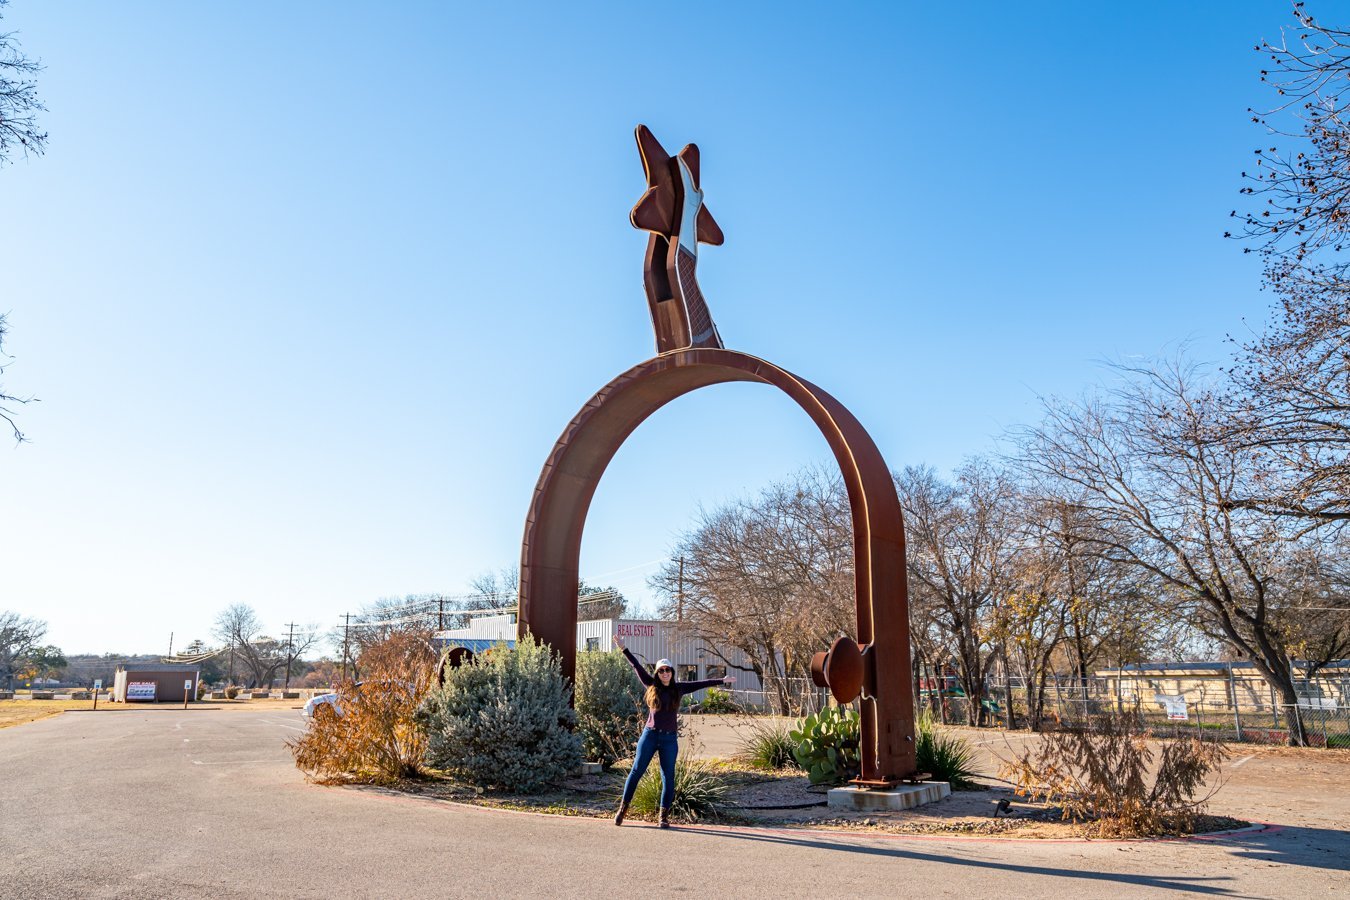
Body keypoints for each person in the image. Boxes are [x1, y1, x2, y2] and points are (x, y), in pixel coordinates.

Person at [611, 634, 734, 828]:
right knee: (636, 771)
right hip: (650, 736)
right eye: (661, 671)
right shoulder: (651, 685)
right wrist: (623, 648)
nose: (665, 673)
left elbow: (700, 683)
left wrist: (722, 680)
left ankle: (663, 817)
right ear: (658, 673)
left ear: (672, 672)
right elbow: (636, 666)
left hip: (669, 740)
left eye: (668, 670)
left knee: (668, 776)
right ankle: (622, 810)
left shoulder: (679, 688)